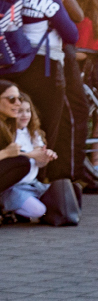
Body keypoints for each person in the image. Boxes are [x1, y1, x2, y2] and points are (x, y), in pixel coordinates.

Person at [2, 0, 82, 191]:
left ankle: (12, 181)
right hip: (44, 70)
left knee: (14, 125)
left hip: (10, 69)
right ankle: (40, 182)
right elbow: (72, 34)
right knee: (45, 127)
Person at [0, 84, 57, 221]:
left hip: (31, 184)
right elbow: (12, 156)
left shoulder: (14, 128)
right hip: (14, 187)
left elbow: (37, 161)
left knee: (66, 192)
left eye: (19, 98)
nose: (18, 103)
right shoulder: (9, 129)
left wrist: (44, 156)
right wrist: (10, 153)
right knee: (22, 163)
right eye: (12, 99)